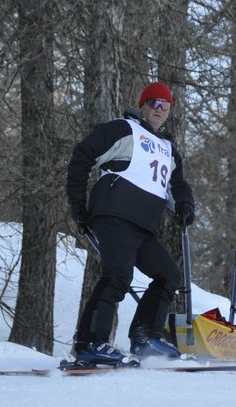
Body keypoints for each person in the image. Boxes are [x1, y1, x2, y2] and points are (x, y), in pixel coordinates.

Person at [64, 81, 197, 368]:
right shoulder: (124, 130)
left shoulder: (169, 150)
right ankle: (89, 343)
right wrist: (79, 206)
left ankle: (144, 336)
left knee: (168, 276)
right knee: (118, 275)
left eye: (166, 105)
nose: (159, 109)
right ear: (142, 105)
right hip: (113, 216)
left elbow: (177, 186)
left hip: (144, 226)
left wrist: (185, 206)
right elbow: (82, 156)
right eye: (154, 103)